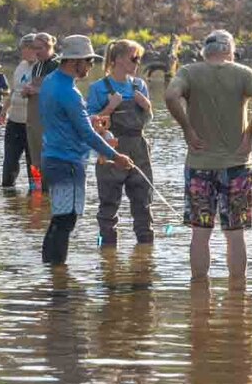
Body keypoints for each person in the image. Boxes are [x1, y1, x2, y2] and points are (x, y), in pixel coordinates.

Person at [164, 30, 252, 281]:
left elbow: (170, 96)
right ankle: (238, 293)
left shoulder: (189, 72)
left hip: (199, 164)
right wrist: (250, 134)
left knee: (200, 233)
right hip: (237, 164)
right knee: (236, 234)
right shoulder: (244, 73)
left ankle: (199, 292)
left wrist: (187, 130)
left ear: (205, 51)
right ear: (230, 51)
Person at [38, 35, 135, 265]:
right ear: (74, 62)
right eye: (88, 62)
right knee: (66, 220)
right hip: (68, 163)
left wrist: (89, 118)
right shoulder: (70, 93)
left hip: (52, 157)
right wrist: (116, 156)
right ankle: (58, 279)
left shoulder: (51, 81)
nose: (91, 66)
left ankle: (52, 273)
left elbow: (67, 121)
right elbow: (87, 135)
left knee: (59, 219)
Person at [87, 40, 154, 246]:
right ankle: (106, 255)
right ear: (118, 59)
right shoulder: (98, 88)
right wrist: (109, 108)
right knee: (108, 206)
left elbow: (148, 119)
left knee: (143, 204)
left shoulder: (139, 85)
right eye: (134, 58)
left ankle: (145, 255)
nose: (138, 62)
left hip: (139, 148)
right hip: (110, 149)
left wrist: (147, 106)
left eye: (139, 58)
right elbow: (90, 124)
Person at [23, 32, 61, 191]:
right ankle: (36, 193)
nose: (35, 52)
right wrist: (26, 91)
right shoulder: (36, 66)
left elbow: (59, 91)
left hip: (50, 121)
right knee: (35, 160)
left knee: (50, 159)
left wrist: (37, 90)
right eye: (33, 48)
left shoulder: (58, 65)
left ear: (48, 46)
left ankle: (50, 191)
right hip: (34, 120)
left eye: (38, 48)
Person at [0, 33, 36, 188]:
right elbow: (13, 90)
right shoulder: (21, 66)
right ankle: (8, 193)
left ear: (33, 49)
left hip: (32, 124)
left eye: (24, 49)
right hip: (14, 121)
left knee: (33, 163)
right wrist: (3, 111)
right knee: (10, 161)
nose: (22, 52)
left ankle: (36, 195)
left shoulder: (41, 67)